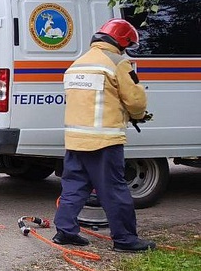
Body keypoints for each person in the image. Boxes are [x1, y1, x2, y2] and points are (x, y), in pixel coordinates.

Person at [53, 19, 156, 252]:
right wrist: (137, 115)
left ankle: (65, 231)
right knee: (113, 190)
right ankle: (125, 240)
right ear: (122, 42)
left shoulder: (77, 64)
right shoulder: (118, 62)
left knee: (74, 186)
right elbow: (136, 100)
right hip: (104, 141)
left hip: (75, 139)